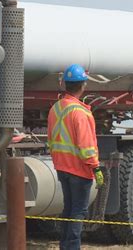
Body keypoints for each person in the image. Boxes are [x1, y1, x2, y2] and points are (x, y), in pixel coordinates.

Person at [47, 64, 104, 250]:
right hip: (79, 170)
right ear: (83, 85)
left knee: (68, 210)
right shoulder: (80, 113)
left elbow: (51, 139)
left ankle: (65, 246)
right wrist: (95, 167)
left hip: (62, 168)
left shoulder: (55, 108)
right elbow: (86, 147)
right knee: (78, 212)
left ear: (65, 84)